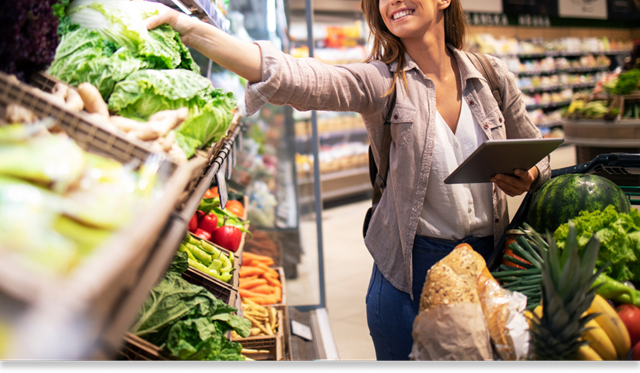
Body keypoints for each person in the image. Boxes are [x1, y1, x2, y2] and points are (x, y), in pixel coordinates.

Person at [145, 0, 550, 361]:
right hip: (409, 273)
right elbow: (297, 77)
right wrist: (188, 27)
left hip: (489, 265)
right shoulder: (383, 81)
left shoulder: (491, 76)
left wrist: (529, 174)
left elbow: (541, 155)